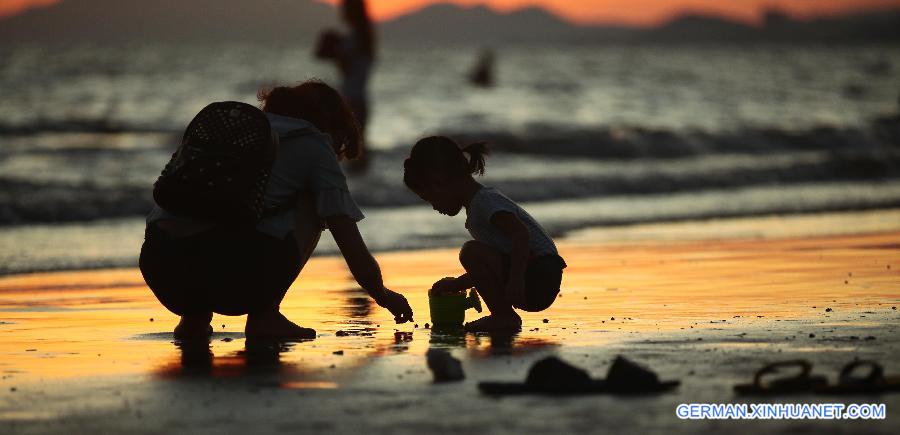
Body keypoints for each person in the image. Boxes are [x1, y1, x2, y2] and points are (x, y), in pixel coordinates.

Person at [139, 80, 413, 340]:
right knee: (319, 204)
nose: (337, 152)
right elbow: (347, 236)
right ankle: (265, 316)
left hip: (161, 267)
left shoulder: (235, 134)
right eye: (340, 144)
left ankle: (193, 319)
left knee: (216, 214)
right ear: (333, 128)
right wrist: (382, 294)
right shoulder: (314, 143)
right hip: (226, 278)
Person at [402, 136, 566, 332]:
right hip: (536, 274)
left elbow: (521, 235)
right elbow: (495, 264)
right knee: (474, 253)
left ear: (439, 181)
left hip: (540, 275)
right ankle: (504, 315)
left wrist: (516, 280)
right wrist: (458, 284)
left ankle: (504, 316)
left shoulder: (484, 202)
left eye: (429, 199)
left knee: (470, 252)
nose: (435, 207)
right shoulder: (478, 207)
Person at [315, 0, 376, 173]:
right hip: (356, 98)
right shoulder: (361, 37)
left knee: (353, 150)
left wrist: (333, 48)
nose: (342, 12)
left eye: (345, 8)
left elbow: (328, 56)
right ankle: (363, 190)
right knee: (356, 149)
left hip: (353, 100)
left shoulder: (356, 38)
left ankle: (360, 192)